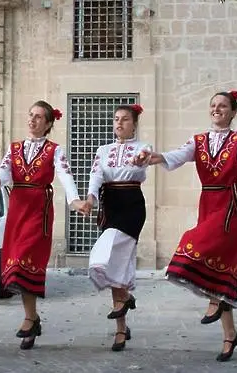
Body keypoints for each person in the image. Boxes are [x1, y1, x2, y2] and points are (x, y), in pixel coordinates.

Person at [136, 90, 237, 362]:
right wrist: (153, 157)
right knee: (218, 269)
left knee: (197, 248)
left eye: (223, 106)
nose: (217, 109)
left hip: (231, 207)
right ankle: (230, 334)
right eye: (213, 105)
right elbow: (177, 155)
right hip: (209, 203)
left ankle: (214, 301)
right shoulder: (199, 140)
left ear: (233, 112)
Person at [0, 100, 90, 350]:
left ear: (48, 124)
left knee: (25, 260)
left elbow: (65, 175)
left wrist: (74, 200)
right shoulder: (13, 149)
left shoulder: (55, 150)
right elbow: (4, 173)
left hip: (38, 211)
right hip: (17, 209)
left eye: (38, 117)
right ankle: (31, 318)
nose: (32, 120)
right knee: (17, 264)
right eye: (30, 115)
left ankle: (29, 318)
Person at [86, 104, 150, 352]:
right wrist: (91, 198)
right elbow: (96, 176)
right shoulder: (103, 150)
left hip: (132, 205)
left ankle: (122, 310)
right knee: (114, 263)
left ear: (134, 124)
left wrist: (140, 159)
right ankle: (121, 326)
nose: (119, 123)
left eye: (125, 119)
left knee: (111, 257)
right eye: (116, 119)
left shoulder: (144, 148)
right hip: (110, 205)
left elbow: (140, 164)